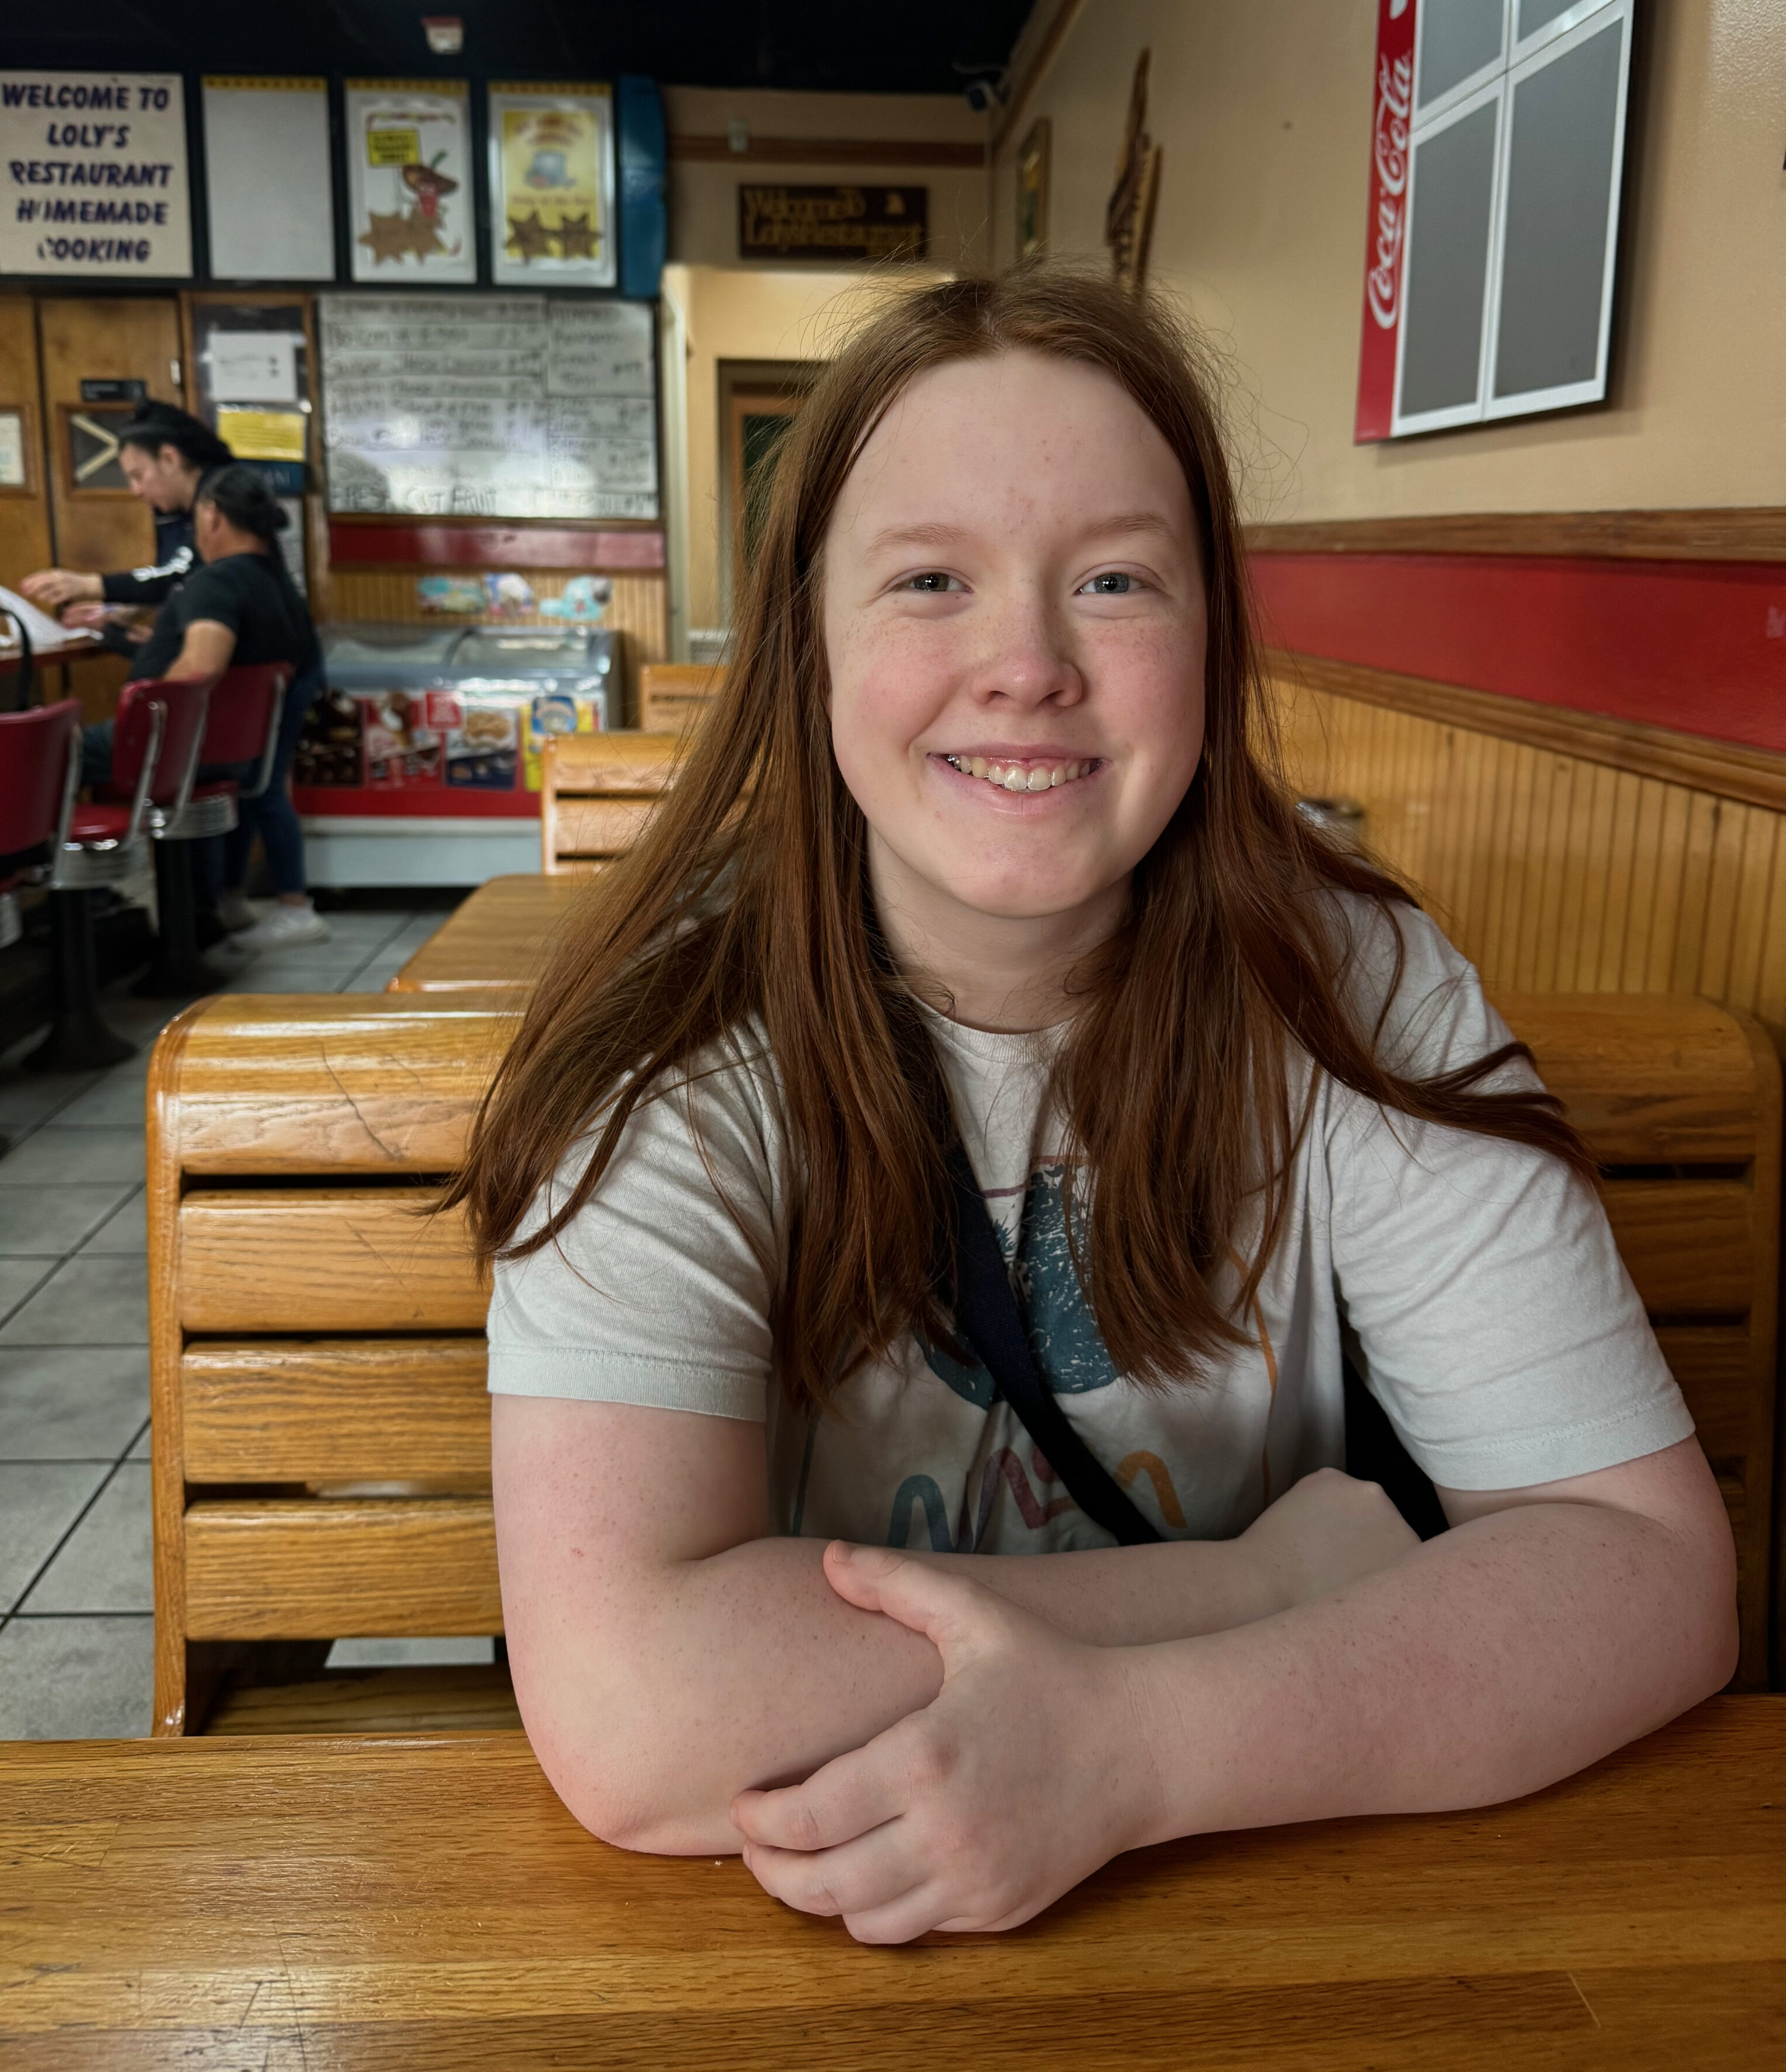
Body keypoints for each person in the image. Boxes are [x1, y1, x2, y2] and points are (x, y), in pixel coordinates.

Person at [457, 270, 1735, 1946]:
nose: (1027, 667)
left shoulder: (1363, 991)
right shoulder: (672, 1050)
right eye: (930, 581)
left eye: (1116, 580)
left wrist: (1133, 1754)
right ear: (807, 644)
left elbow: (1645, 1573)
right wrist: (1269, 1589)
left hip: (1286, 1902)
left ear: (1214, 636)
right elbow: (638, 1716)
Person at [126, 464, 329, 951]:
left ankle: (290, 906)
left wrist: (143, 703)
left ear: (212, 516)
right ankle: (230, 898)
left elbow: (201, 665)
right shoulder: (273, 578)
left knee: (261, 794)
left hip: (200, 734)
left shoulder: (219, 581)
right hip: (258, 721)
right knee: (255, 792)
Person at [22, 403, 230, 651]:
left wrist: (90, 585)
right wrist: (125, 610)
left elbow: (180, 573)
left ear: (169, 459)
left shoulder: (225, 498)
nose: (136, 490)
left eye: (138, 475)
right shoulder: (173, 509)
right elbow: (173, 579)